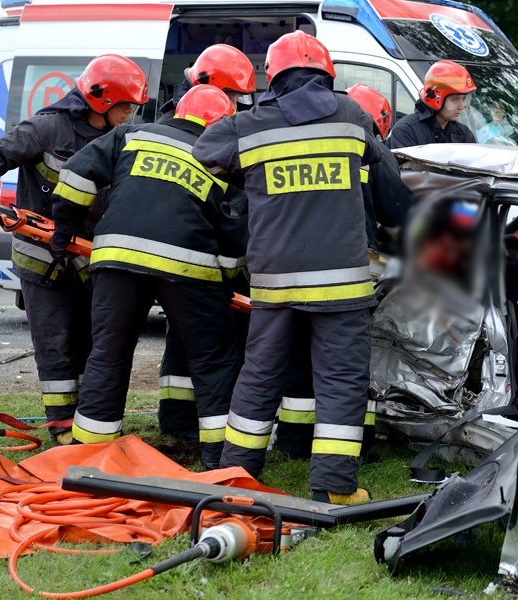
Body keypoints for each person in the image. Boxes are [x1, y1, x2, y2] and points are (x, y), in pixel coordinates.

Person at [193, 31, 386, 504]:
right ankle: (334, 487)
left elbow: (204, 151)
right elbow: (381, 169)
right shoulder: (352, 115)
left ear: (273, 78)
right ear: (326, 75)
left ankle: (235, 478)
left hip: (276, 284)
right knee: (341, 381)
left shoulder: (250, 125)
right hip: (342, 285)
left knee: (259, 376)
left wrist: (249, 168)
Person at [51, 85, 246, 469]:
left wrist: (64, 229)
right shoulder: (221, 159)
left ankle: (89, 456)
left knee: (109, 352)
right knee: (213, 360)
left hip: (116, 259)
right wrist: (222, 285)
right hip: (188, 267)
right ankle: (220, 460)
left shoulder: (131, 135)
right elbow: (233, 236)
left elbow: (76, 174)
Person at [0, 55, 147, 444]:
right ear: (101, 101)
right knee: (55, 346)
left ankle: (89, 423)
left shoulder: (117, 139)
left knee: (92, 344)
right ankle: (60, 428)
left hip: (88, 261)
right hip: (42, 262)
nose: (130, 114)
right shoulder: (48, 127)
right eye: (126, 106)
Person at [275, 83, 413, 463]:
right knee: (350, 362)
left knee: (299, 357)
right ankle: (358, 445)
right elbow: (400, 213)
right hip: (350, 273)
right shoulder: (373, 151)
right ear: (377, 123)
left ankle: (294, 441)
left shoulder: (301, 144)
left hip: (294, 268)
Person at [154, 43, 256, 442]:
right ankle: (184, 423)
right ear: (207, 84)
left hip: (208, 244)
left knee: (194, 338)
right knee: (200, 342)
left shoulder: (216, 119)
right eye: (231, 95)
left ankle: (184, 421)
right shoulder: (179, 127)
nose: (234, 104)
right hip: (198, 247)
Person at [386, 60, 476, 148]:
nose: (461, 106)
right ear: (435, 97)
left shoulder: (464, 134)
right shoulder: (407, 131)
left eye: (463, 99)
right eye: (454, 99)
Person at [158, 44, 256, 121]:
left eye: (237, 99)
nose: (234, 106)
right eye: (229, 98)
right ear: (206, 85)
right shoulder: (174, 122)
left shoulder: (218, 116)